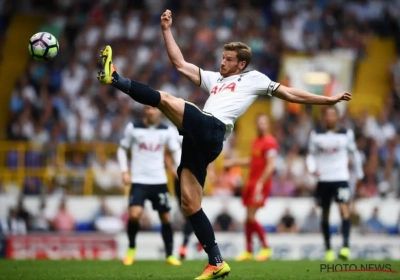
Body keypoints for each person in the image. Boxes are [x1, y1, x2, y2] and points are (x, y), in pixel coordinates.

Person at [96, 9, 351, 279]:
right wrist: (166, 31)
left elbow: (289, 93)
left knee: (166, 99)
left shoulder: (254, 79)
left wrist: (327, 100)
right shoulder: (215, 80)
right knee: (189, 204)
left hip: (212, 127)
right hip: (200, 139)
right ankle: (216, 261)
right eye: (222, 57)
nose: (222, 63)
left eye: (228, 60)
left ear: (241, 64)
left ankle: (114, 78)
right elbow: (180, 64)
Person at [117, 105, 182, 266]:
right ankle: (131, 249)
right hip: (139, 180)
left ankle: (169, 254)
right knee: (134, 215)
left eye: (153, 108)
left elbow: (175, 150)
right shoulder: (133, 128)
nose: (151, 111)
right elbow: (121, 149)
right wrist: (125, 171)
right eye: (147, 108)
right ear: (145, 111)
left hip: (159, 180)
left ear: (159, 110)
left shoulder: (167, 130)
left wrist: (178, 168)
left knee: (165, 217)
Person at [306, 106, 363, 262]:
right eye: (327, 115)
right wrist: (312, 168)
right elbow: (311, 155)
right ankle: (328, 249)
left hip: (340, 178)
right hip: (324, 179)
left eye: (333, 115)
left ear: (337, 117)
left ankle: (345, 247)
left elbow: (354, 154)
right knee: (325, 214)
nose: (330, 118)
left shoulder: (346, 134)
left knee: (344, 210)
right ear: (324, 117)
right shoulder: (316, 135)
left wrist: (359, 174)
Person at [225, 114, 278, 262]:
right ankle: (248, 251)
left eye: (264, 123)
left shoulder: (270, 142)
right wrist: (234, 162)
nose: (261, 125)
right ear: (256, 125)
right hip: (251, 182)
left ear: (268, 125)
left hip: (261, 184)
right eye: (259, 122)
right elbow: (253, 161)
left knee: (250, 217)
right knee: (247, 218)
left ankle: (266, 247)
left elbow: (270, 166)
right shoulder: (255, 141)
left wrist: (260, 183)